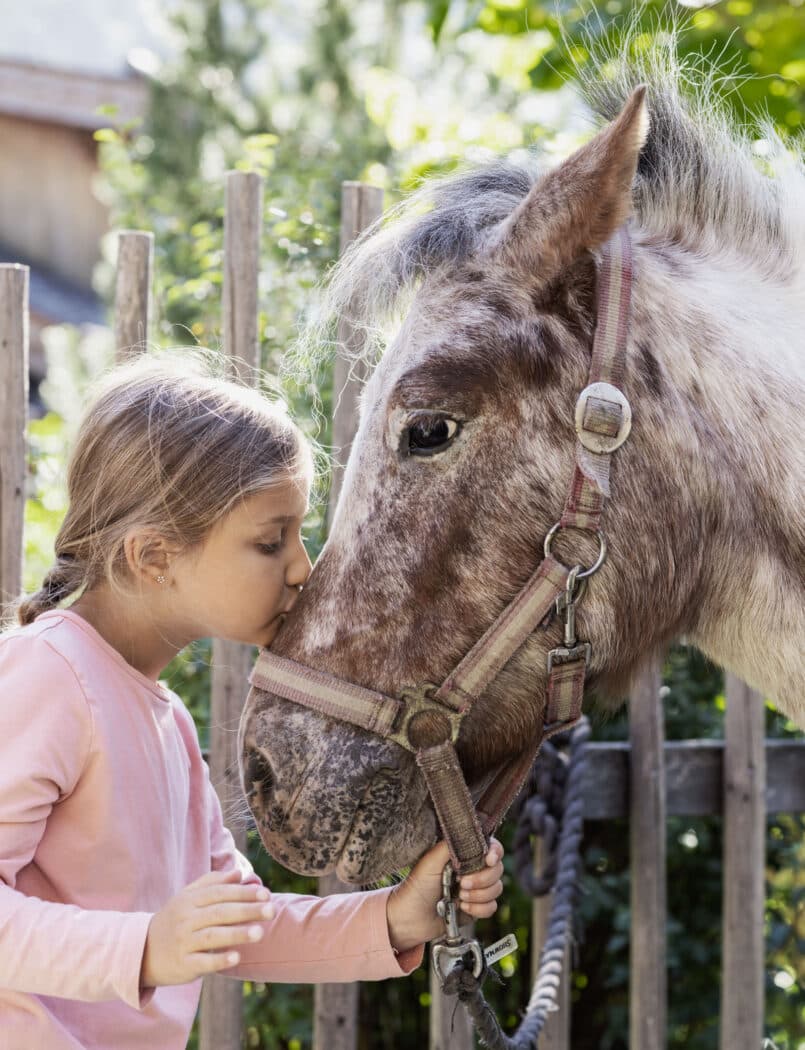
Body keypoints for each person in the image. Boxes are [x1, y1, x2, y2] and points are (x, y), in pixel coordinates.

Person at [0, 348, 505, 1050]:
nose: (304, 567)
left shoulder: (165, 717)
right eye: (271, 542)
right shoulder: (46, 674)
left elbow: (236, 925)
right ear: (153, 557)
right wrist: (147, 946)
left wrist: (393, 917)